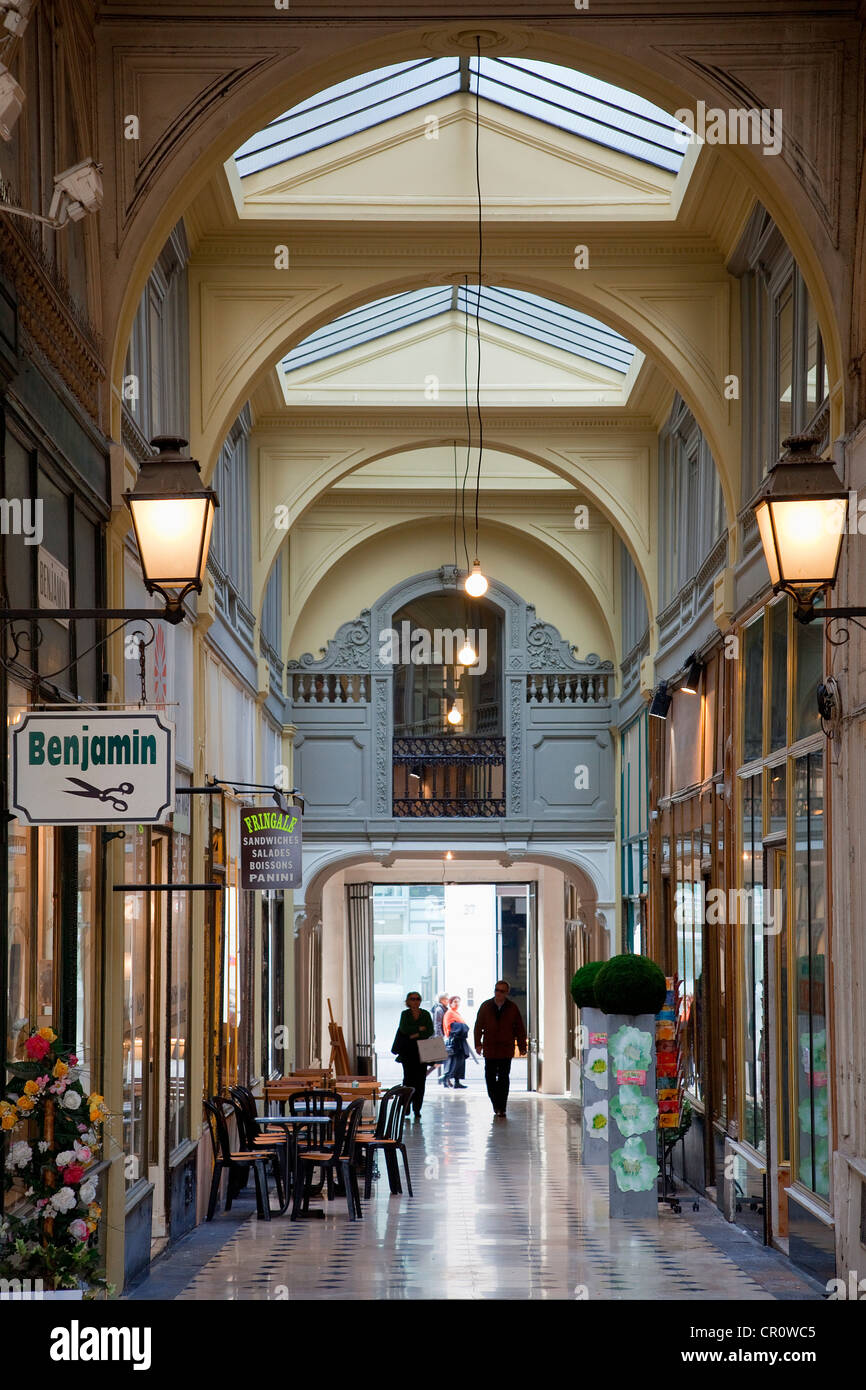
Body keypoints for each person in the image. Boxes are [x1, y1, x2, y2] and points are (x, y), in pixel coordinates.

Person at [473, 980, 526, 1118]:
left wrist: (522, 1046)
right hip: (490, 1048)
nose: (498, 993)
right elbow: (478, 1026)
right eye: (496, 990)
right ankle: (495, 1103)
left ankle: (502, 1107)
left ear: (506, 993)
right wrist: (478, 1043)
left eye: (502, 991)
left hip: (505, 1048)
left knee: (503, 1078)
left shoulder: (512, 1008)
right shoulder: (486, 1006)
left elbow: (519, 1028)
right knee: (490, 1077)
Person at [392, 990, 434, 1118]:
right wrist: (419, 1030)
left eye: (417, 999)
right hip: (408, 1051)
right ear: (408, 1001)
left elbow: (429, 1031)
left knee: (420, 1081)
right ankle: (406, 1106)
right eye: (412, 999)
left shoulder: (426, 1014)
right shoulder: (405, 1014)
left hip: (422, 1051)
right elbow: (404, 1029)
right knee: (408, 1079)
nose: (415, 1001)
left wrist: (414, 1034)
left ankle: (417, 1108)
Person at [442, 995, 470, 1089]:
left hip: (460, 1041)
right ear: (450, 1003)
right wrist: (464, 1027)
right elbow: (453, 1026)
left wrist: (463, 1027)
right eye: (455, 1002)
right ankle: (446, 1078)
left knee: (460, 1062)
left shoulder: (456, 1013)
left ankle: (457, 1082)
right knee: (455, 1062)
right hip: (455, 1041)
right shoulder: (450, 1013)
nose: (457, 1003)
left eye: (458, 1002)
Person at [433, 993, 450, 1084]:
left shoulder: (444, 1009)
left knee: (442, 1060)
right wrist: (440, 1038)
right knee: (440, 1061)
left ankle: (445, 1079)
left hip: (442, 1037)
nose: (448, 1001)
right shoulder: (439, 1010)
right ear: (441, 1000)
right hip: (440, 1038)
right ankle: (444, 1079)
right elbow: (437, 1025)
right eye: (446, 999)